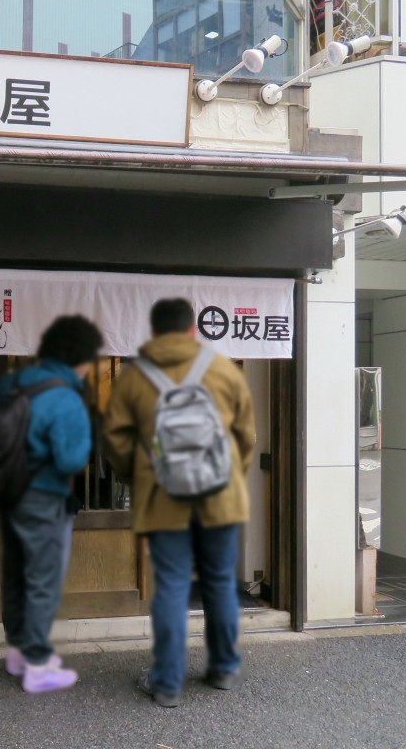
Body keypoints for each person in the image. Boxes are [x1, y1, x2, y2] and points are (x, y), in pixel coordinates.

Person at [104, 298, 256, 709]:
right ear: (193, 330)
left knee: (171, 585)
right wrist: (227, 477)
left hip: (163, 499)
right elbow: (246, 437)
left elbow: (115, 440)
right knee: (219, 580)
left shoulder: (135, 376)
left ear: (153, 333)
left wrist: (139, 476)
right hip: (220, 498)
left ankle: (168, 683)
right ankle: (223, 668)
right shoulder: (224, 369)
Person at [0, 315, 103, 694]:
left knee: (16, 570)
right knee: (44, 578)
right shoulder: (66, 398)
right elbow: (70, 460)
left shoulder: (15, 381)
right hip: (45, 496)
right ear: (82, 358)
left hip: (10, 491)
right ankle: (38, 665)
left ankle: (17, 651)